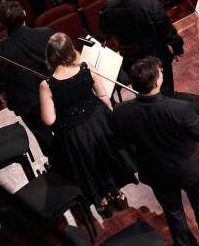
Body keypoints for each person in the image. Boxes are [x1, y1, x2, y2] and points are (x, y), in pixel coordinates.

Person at [110, 57, 199, 246]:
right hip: (189, 168)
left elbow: (119, 142)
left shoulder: (121, 112)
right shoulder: (179, 108)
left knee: (173, 212)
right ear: (156, 82)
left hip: (156, 170)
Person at [39, 32, 136, 217]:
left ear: (50, 55)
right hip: (98, 121)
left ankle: (101, 200)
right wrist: (111, 115)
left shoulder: (47, 85)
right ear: (70, 50)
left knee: (88, 164)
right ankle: (116, 192)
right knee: (104, 157)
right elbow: (102, 95)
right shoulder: (86, 66)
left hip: (74, 132)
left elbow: (49, 120)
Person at [101, 0, 184, 94]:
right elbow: (168, 34)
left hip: (131, 61)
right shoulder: (151, 5)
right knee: (166, 93)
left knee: (142, 93)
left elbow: (105, 32)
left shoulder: (107, 7)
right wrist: (177, 47)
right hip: (156, 60)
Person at [0, 0, 54, 153]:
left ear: (0, 23)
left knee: (46, 141)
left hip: (27, 105)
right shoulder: (46, 33)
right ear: (24, 13)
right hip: (55, 94)